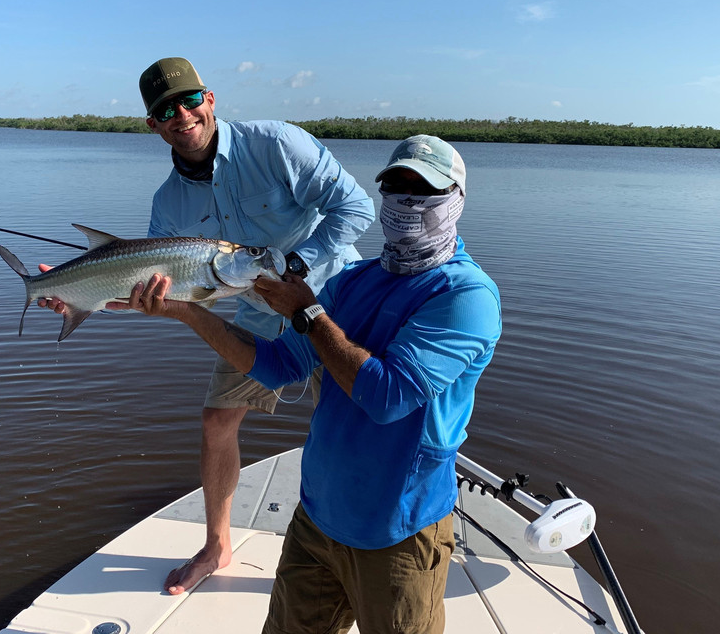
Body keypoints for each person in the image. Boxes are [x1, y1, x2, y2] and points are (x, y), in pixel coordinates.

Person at [114, 135, 501, 634]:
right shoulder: (352, 283)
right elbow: (275, 365)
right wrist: (185, 312)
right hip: (316, 522)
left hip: (398, 533)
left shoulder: (465, 295)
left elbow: (386, 397)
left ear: (456, 201)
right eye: (395, 187)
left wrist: (307, 311)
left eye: (423, 190)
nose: (406, 202)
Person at [41, 57, 374, 595]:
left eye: (189, 100)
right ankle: (217, 546)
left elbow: (356, 208)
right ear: (153, 124)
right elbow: (158, 294)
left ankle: (360, 546)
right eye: (165, 110)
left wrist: (298, 266)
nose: (181, 114)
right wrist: (83, 298)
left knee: (354, 420)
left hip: (332, 301)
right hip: (256, 317)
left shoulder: (277, 144)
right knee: (217, 423)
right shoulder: (167, 204)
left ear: (210, 99)